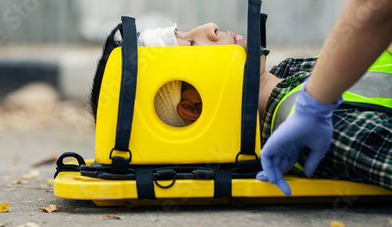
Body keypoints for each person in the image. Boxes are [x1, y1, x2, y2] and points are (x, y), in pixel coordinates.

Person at [90, 21, 392, 194]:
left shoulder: (287, 71)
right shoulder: (303, 133)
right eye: (191, 44)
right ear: (193, 108)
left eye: (186, 31)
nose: (209, 27)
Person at [256, 0, 392, 195]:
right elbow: (376, 7)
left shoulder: (292, 74)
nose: (208, 28)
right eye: (189, 42)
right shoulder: (303, 119)